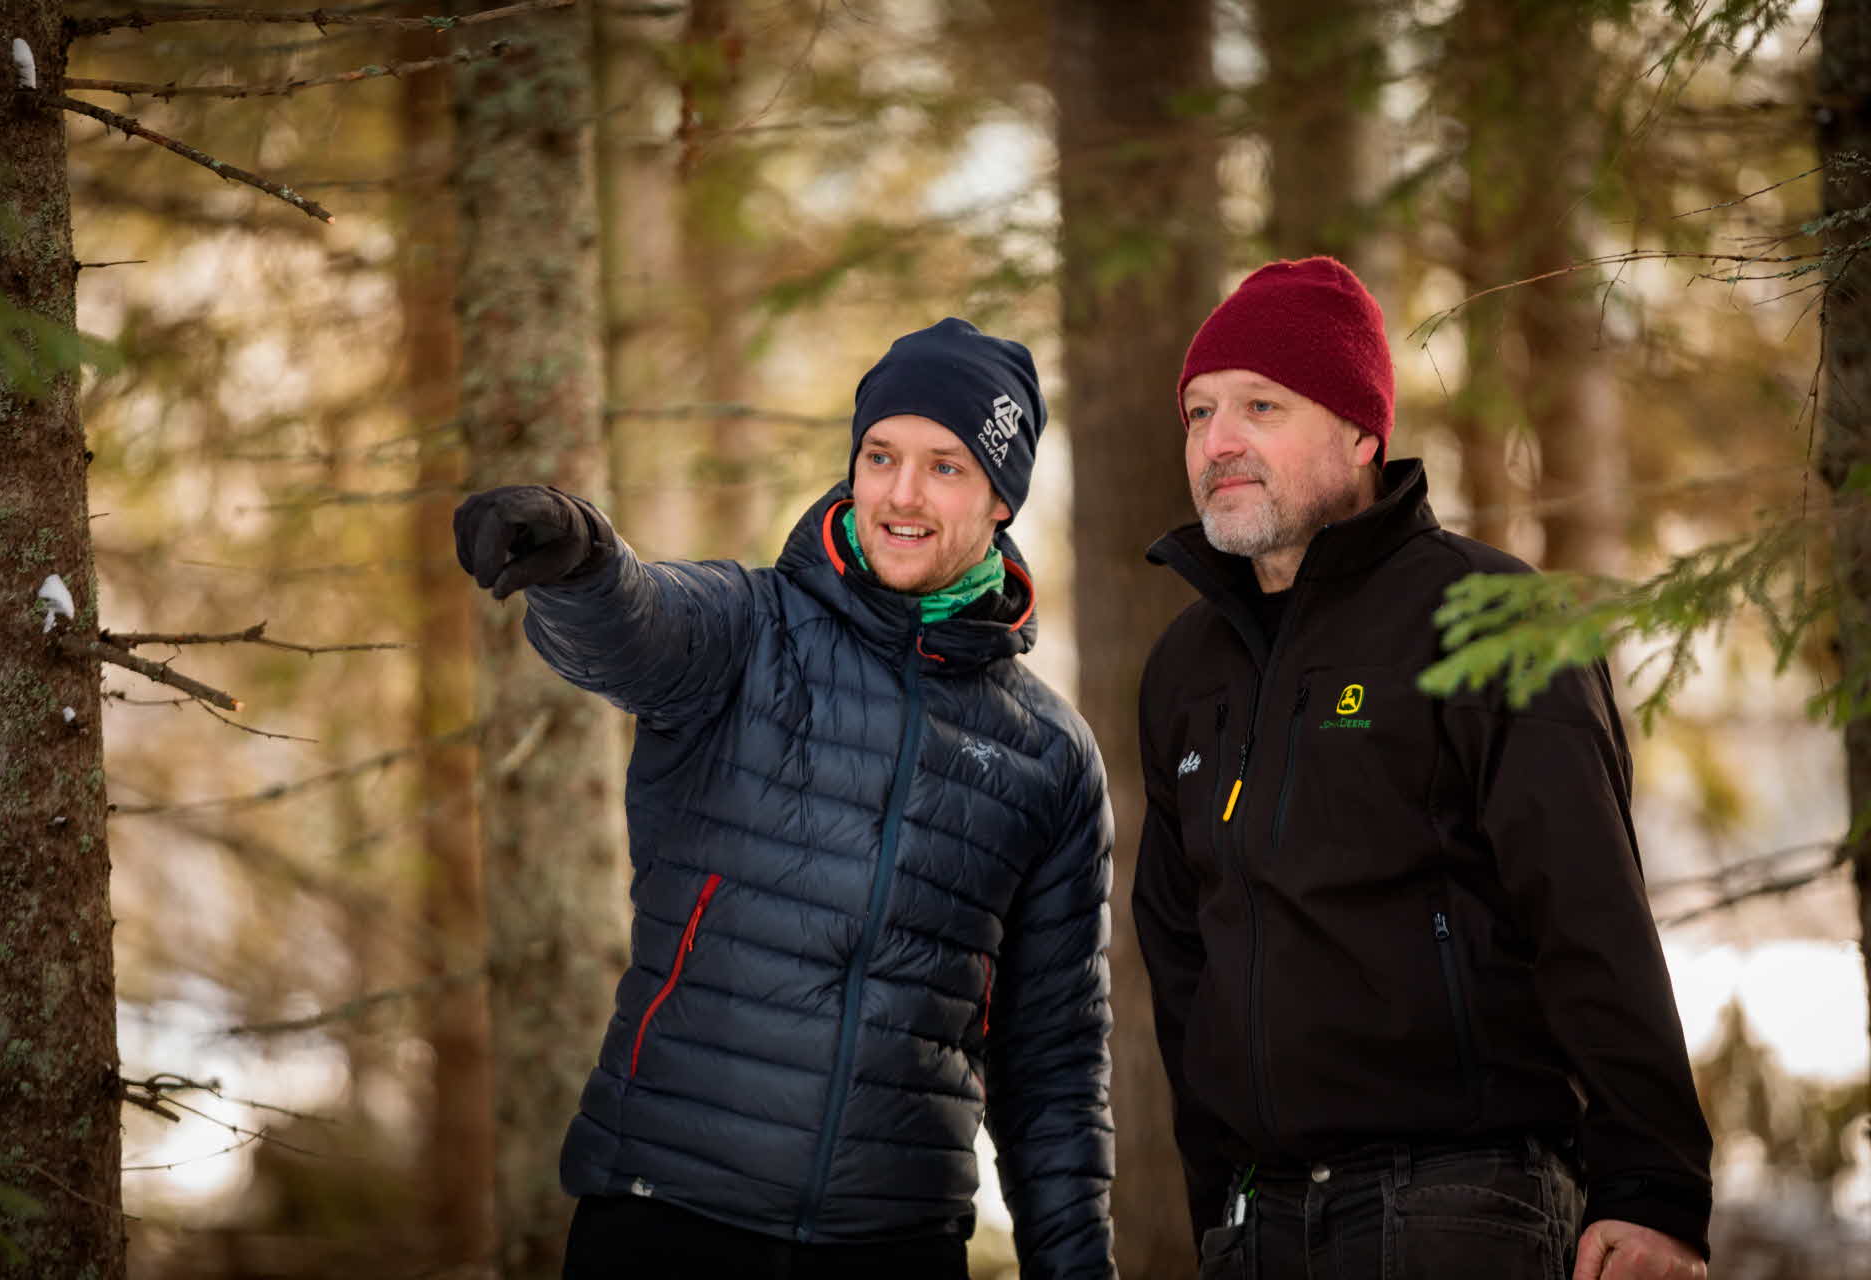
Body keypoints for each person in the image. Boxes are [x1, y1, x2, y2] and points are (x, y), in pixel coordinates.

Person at [453, 318, 1116, 1280]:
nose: (900, 493)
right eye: (880, 455)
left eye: (945, 467)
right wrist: (579, 560)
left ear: (1001, 501)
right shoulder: (747, 629)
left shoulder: (1048, 755)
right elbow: (635, 621)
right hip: (665, 1215)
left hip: (895, 1242)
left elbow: (1052, 1059)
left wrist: (1076, 1267)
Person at [1133, 257, 1714, 1280]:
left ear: (1362, 431)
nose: (1218, 441)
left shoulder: (1491, 618)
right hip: (1258, 1219)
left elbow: (1589, 915)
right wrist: (1213, 1203)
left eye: (1261, 405)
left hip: (1457, 1202)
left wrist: (1655, 1189)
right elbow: (1181, 952)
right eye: (1199, 413)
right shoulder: (1187, 665)